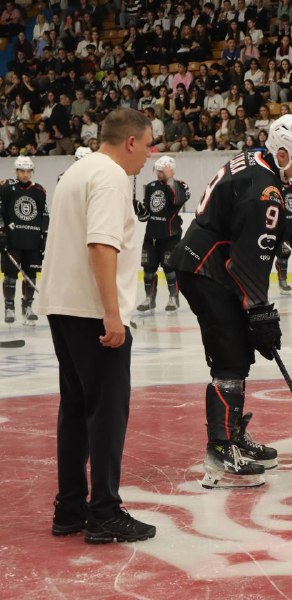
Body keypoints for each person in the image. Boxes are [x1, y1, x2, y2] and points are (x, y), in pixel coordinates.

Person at [167, 115, 292, 489]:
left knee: (237, 350)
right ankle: (221, 449)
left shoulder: (257, 162)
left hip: (207, 264)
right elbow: (248, 260)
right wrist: (260, 312)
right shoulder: (265, 192)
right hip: (208, 271)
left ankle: (233, 434)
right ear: (282, 153)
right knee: (231, 354)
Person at [38, 107, 157, 543]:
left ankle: (70, 508)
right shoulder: (109, 177)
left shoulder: (77, 170)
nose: (149, 154)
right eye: (147, 145)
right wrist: (113, 313)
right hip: (93, 312)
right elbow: (101, 245)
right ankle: (104, 510)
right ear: (130, 142)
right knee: (107, 413)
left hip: (62, 306)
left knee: (74, 409)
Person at [134, 155, 190, 313]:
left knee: (170, 268)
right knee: (148, 269)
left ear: (170, 171)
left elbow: (178, 199)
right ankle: (149, 298)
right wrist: (139, 209)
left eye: (161, 171)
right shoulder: (151, 186)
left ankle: (173, 297)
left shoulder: (181, 186)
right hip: (151, 235)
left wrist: (170, 179)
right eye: (157, 170)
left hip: (170, 236)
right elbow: (145, 215)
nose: (158, 174)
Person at [0, 156, 48, 324]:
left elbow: (44, 215)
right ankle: (9, 308)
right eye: (22, 171)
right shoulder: (7, 188)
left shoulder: (40, 191)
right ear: (16, 171)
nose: (25, 174)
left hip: (33, 241)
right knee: (10, 276)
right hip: (13, 241)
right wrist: (2, 234)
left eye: (28, 171)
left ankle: (27, 307)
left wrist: (44, 238)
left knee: (31, 276)